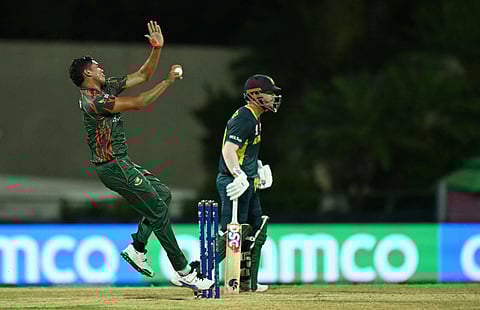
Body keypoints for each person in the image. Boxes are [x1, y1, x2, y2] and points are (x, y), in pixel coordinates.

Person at [68, 21, 213, 291]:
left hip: (120, 162)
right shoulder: (94, 101)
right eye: (97, 66)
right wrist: (168, 81)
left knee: (163, 195)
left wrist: (156, 49)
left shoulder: (105, 88)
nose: (102, 69)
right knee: (158, 209)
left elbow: (143, 75)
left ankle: (137, 248)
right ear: (88, 72)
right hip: (112, 166)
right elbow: (140, 102)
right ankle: (183, 271)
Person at [216, 74, 282, 292]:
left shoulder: (254, 117)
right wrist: (238, 174)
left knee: (256, 231)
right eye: (269, 93)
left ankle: (246, 282)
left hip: (248, 183)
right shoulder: (245, 117)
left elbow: (245, 152)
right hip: (235, 184)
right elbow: (229, 149)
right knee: (232, 235)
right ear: (255, 95)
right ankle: (196, 272)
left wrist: (258, 170)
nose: (273, 98)